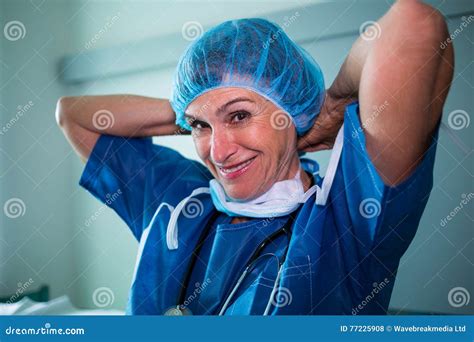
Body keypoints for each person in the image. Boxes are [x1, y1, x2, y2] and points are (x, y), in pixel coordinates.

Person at [56, 0, 454, 315]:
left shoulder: (345, 219)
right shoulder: (179, 198)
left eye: (241, 116)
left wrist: (332, 105)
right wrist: (188, 112)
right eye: (201, 129)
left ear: (291, 112)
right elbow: (73, 115)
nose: (219, 151)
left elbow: (414, 26)